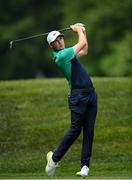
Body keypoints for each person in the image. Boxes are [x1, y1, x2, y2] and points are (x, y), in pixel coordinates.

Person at [45, 23, 97, 177]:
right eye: (56, 40)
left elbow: (85, 49)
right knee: (75, 130)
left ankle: (85, 167)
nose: (60, 41)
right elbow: (81, 43)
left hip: (91, 95)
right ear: (51, 45)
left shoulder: (69, 53)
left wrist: (83, 31)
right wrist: (78, 29)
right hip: (79, 98)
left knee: (89, 131)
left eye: (60, 38)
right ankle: (53, 160)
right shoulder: (62, 55)